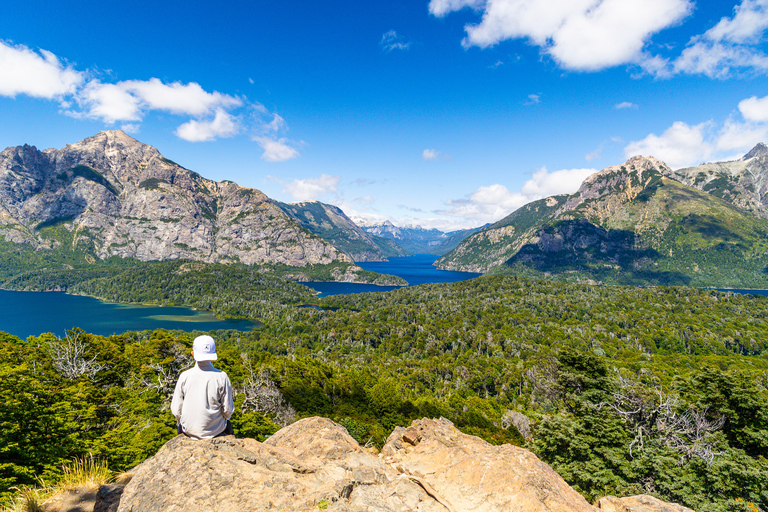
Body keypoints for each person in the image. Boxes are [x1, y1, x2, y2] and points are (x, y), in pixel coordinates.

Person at [171, 335, 235, 439]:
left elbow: (176, 409)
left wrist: (181, 420)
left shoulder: (185, 376)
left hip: (189, 430)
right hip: (216, 430)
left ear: (193, 353)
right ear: (214, 352)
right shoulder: (222, 376)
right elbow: (228, 410)